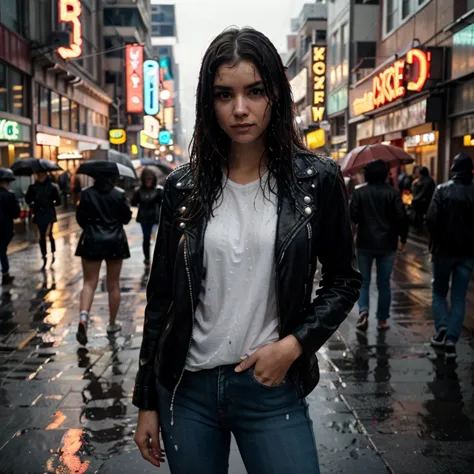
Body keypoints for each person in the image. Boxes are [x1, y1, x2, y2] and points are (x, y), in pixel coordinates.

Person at [132, 27, 361, 474]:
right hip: (187, 390)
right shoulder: (183, 187)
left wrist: (294, 346)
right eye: (224, 95)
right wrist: (147, 401)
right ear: (208, 102)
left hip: (270, 385)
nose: (240, 109)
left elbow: (344, 279)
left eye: (255, 91)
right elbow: (161, 299)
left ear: (275, 93)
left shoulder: (317, 180)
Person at [350, 160, 408, 331]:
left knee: (364, 281)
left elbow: (352, 215)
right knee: (384, 283)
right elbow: (401, 217)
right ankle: (382, 320)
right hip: (387, 244)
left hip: (364, 242)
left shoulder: (360, 192)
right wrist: (402, 239)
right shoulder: (393, 193)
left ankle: (363, 310)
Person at [426, 153, 474, 359]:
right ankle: (452, 339)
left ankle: (442, 328)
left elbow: (431, 220)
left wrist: (435, 243)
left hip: (444, 252)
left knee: (439, 292)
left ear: (453, 169)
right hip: (468, 253)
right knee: (459, 296)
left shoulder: (442, 190)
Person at [74, 174, 132, 345]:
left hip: (92, 240)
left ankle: (84, 318)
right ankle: (112, 323)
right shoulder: (118, 194)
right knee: (113, 284)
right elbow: (127, 218)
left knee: (89, 283)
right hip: (114, 241)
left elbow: (80, 218)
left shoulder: (86, 194)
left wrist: (92, 228)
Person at [25, 171, 60, 268]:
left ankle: (52, 253)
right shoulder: (32, 187)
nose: (40, 176)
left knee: (49, 234)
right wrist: (31, 203)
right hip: (38, 214)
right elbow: (28, 199)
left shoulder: (52, 187)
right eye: (38, 174)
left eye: (42, 174)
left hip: (49, 214)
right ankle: (44, 255)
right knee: (41, 237)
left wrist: (53, 202)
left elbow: (58, 201)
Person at [131, 168, 164, 267]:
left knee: (158, 239)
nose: (148, 181)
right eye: (147, 179)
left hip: (156, 217)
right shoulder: (139, 191)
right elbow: (133, 203)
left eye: (150, 179)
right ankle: (147, 259)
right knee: (146, 238)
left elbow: (164, 203)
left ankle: (158, 258)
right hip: (144, 218)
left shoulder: (158, 190)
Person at [0, 169, 21, 285]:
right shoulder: (9, 196)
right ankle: (5, 274)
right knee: (2, 250)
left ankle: (5, 273)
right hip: (5, 229)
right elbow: (16, 214)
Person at [411, 166, 435, 232]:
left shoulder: (420, 181)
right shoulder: (430, 180)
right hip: (427, 201)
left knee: (418, 215)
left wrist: (414, 199)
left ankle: (418, 228)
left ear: (421, 173)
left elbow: (417, 192)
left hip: (419, 201)